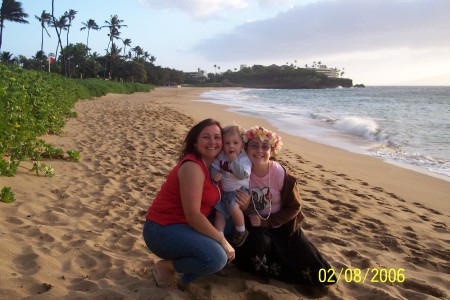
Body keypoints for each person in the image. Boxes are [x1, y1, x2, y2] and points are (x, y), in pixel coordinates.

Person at [234, 126, 336, 286]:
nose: (259, 150)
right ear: (246, 148)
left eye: (265, 146)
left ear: (272, 150)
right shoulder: (240, 173)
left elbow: (294, 207)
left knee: (307, 257)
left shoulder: (280, 174)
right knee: (259, 244)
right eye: (254, 145)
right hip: (253, 221)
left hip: (280, 222)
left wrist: (268, 222)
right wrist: (246, 208)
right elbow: (235, 205)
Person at [142, 119, 235, 288]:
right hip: (162, 230)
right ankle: (166, 266)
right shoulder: (192, 167)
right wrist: (222, 241)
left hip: (186, 226)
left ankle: (189, 272)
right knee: (217, 258)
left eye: (217, 137)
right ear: (195, 142)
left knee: (234, 221)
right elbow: (193, 215)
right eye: (206, 137)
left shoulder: (213, 167)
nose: (213, 142)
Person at [211, 125, 252, 247]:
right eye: (227, 143)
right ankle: (219, 235)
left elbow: (242, 175)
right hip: (226, 193)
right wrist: (215, 175)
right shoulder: (221, 156)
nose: (231, 146)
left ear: (242, 145)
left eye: (235, 143)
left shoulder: (244, 159)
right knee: (219, 212)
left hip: (240, 190)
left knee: (233, 207)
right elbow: (214, 167)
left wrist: (234, 160)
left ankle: (241, 230)